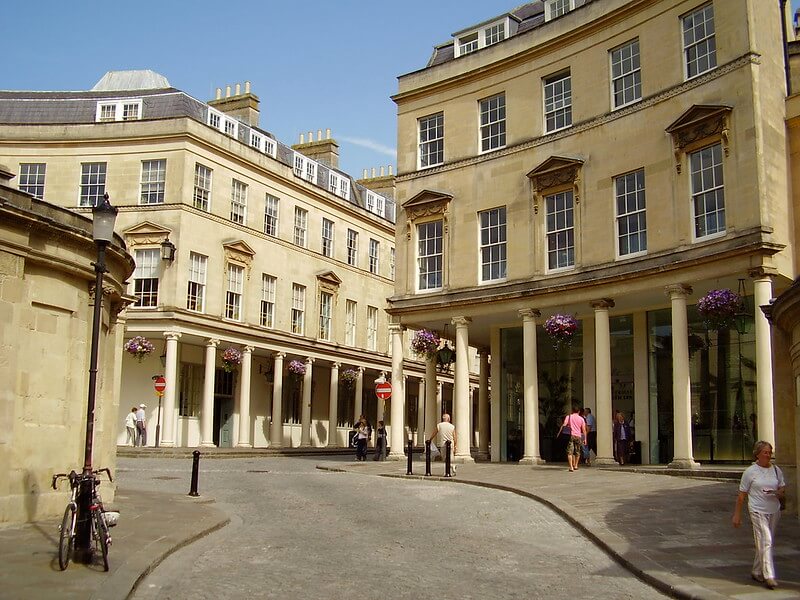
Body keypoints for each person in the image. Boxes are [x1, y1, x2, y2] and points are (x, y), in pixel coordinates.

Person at [733, 440, 786, 590]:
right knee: (766, 540)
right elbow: (742, 495)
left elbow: (782, 487)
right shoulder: (750, 472)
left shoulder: (776, 470)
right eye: (765, 452)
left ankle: (756, 570)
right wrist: (737, 515)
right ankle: (769, 575)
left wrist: (778, 492)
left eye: (770, 452)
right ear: (757, 454)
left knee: (765, 542)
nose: (768, 455)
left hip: (773, 510)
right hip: (757, 510)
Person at [558, 406, 586, 472]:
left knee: (570, 451)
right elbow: (584, 430)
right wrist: (585, 439)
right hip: (578, 436)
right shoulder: (581, 419)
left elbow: (564, 425)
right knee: (577, 451)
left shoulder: (569, 417)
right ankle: (576, 465)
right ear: (579, 411)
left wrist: (559, 432)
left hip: (570, 435)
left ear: (572, 411)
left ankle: (571, 467)